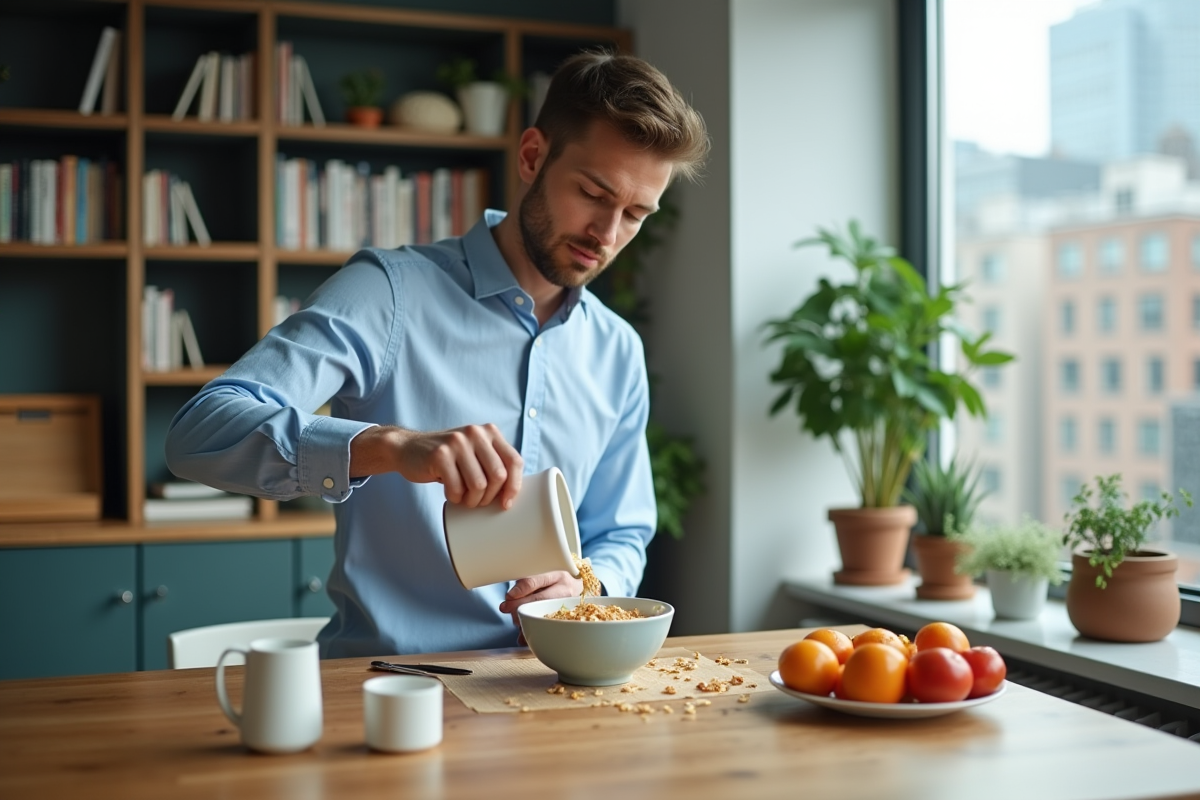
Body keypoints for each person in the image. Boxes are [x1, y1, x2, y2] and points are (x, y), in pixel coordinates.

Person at [165, 51, 709, 658]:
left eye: (635, 214)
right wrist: (390, 447)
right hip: (391, 684)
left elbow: (621, 531)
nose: (606, 235)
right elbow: (200, 432)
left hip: (551, 688)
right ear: (533, 156)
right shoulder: (387, 293)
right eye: (592, 193)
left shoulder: (617, 349)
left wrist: (587, 585)